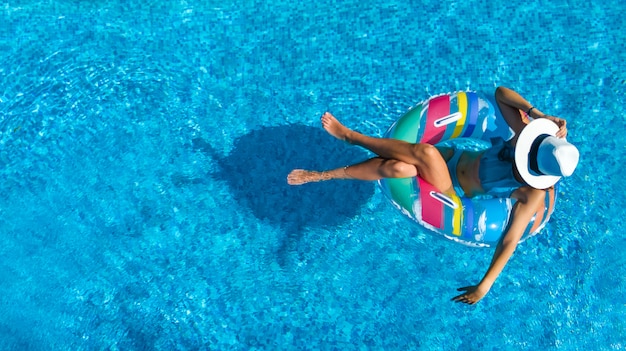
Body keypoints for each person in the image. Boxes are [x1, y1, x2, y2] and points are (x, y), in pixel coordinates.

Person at [287, 86, 580, 305]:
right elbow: (500, 93)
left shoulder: (533, 193)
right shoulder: (526, 135)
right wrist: (539, 115)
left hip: (451, 191)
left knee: (424, 152)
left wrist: (485, 285)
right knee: (398, 168)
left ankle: (350, 139)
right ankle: (322, 175)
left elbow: (510, 238)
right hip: (449, 157)